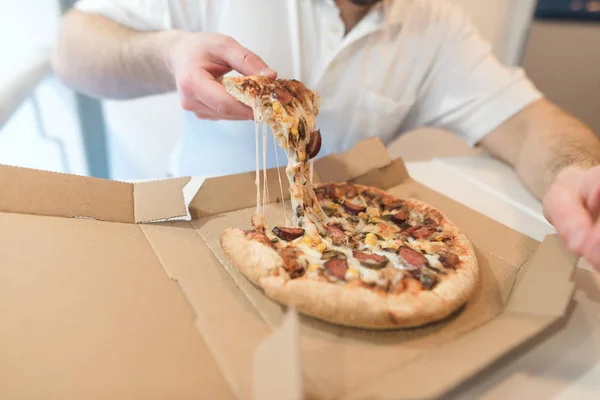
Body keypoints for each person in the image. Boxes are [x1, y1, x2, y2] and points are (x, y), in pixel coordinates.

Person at [52, 0, 600, 270]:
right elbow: (73, 51)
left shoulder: (435, 23)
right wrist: (167, 54)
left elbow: (531, 125)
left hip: (357, 249)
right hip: (187, 232)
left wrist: (577, 175)